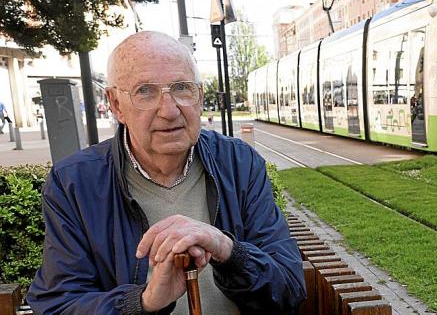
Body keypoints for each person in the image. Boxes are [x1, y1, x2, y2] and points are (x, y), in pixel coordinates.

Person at [27, 31, 306, 314]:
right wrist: (144, 303)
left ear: (199, 96)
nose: (169, 110)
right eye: (145, 91)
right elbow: (59, 304)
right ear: (116, 105)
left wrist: (228, 251)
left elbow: (289, 288)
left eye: (182, 87)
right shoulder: (74, 183)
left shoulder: (239, 163)